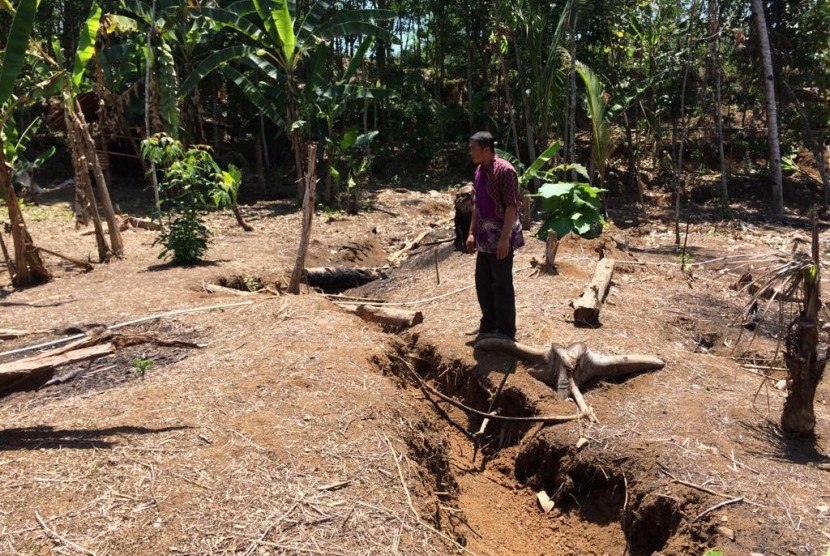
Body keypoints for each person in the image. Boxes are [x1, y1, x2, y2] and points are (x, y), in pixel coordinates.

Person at [465, 131, 524, 341]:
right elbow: (477, 205)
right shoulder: (479, 170)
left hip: (500, 237)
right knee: (482, 281)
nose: (470, 152)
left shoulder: (505, 171)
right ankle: (488, 324)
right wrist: (471, 232)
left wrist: (504, 238)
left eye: (473, 148)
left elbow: (511, 207)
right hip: (483, 237)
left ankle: (506, 330)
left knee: (501, 283)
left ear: (486, 150)